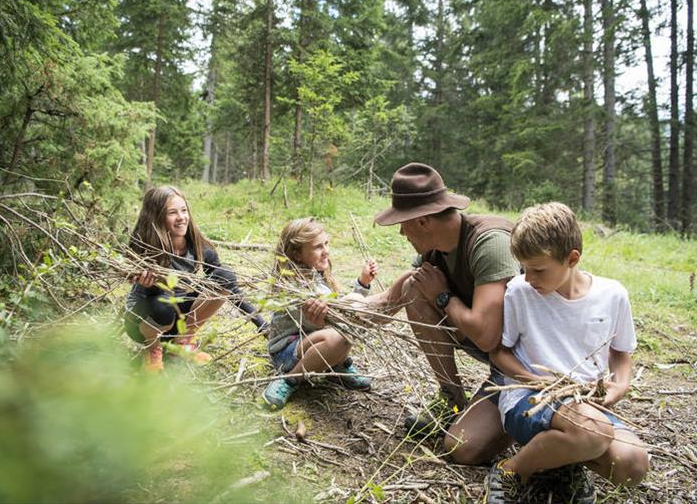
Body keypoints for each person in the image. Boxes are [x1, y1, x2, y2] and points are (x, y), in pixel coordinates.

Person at [486, 202, 649, 502]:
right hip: (529, 399)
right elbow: (499, 353)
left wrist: (620, 385)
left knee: (633, 464)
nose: (529, 278)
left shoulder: (612, 295)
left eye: (538, 270)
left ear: (572, 258)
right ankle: (510, 471)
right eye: (524, 268)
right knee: (594, 431)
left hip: (587, 406)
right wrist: (538, 381)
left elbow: (621, 353)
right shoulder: (519, 292)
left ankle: (559, 462)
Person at [365, 162, 520, 465]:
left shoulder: (490, 243)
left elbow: (487, 336)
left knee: (461, 447)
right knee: (414, 287)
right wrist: (333, 309)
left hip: (526, 364)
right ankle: (453, 400)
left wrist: (443, 297)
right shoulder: (434, 249)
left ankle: (530, 420)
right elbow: (388, 302)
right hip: (498, 353)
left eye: (403, 223)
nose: (401, 232)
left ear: (422, 221)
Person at [124, 185, 266, 372]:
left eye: (184, 210)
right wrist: (148, 284)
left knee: (225, 276)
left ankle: (182, 342)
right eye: (172, 213)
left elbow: (230, 286)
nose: (181, 217)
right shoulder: (146, 249)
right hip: (143, 322)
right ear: (156, 217)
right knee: (164, 305)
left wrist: (262, 324)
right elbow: (152, 299)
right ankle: (153, 350)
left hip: (177, 322)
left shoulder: (197, 247)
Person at [262, 217, 379, 409]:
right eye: (318, 247)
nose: (326, 251)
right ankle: (290, 379)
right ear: (297, 255)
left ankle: (335, 365)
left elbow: (341, 313)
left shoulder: (316, 275)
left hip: (311, 341)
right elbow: (339, 316)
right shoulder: (294, 287)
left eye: (326, 243)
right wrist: (357, 299)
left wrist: (362, 283)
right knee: (337, 337)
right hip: (287, 354)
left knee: (344, 332)